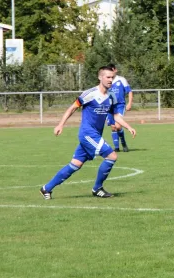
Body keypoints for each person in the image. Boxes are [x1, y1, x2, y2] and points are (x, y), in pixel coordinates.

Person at [39, 66, 137, 200]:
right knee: (112, 156)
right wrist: (60, 124)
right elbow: (72, 108)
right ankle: (97, 188)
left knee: (75, 164)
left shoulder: (111, 96)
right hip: (87, 134)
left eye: (112, 77)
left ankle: (46, 188)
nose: (110, 80)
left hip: (95, 135)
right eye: (107, 77)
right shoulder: (90, 93)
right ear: (100, 77)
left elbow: (116, 116)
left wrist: (128, 127)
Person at [106, 63, 133, 152]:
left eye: (112, 70)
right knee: (113, 127)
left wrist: (129, 103)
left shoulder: (121, 80)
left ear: (115, 70)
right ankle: (116, 148)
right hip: (109, 107)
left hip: (120, 106)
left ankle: (124, 143)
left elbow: (129, 91)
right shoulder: (106, 81)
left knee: (118, 126)